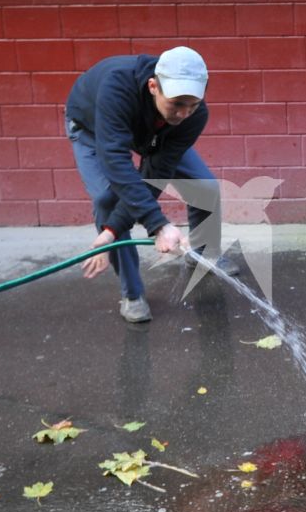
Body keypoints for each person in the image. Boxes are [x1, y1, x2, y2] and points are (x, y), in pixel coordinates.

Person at [65, 46, 223, 323]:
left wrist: (114, 228)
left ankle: (199, 254)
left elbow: (156, 173)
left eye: (193, 105)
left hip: (155, 132)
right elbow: (116, 162)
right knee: (106, 199)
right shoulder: (117, 87)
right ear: (153, 86)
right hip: (92, 128)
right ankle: (132, 293)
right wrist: (156, 225)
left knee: (205, 186)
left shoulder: (193, 115)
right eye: (177, 104)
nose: (185, 113)